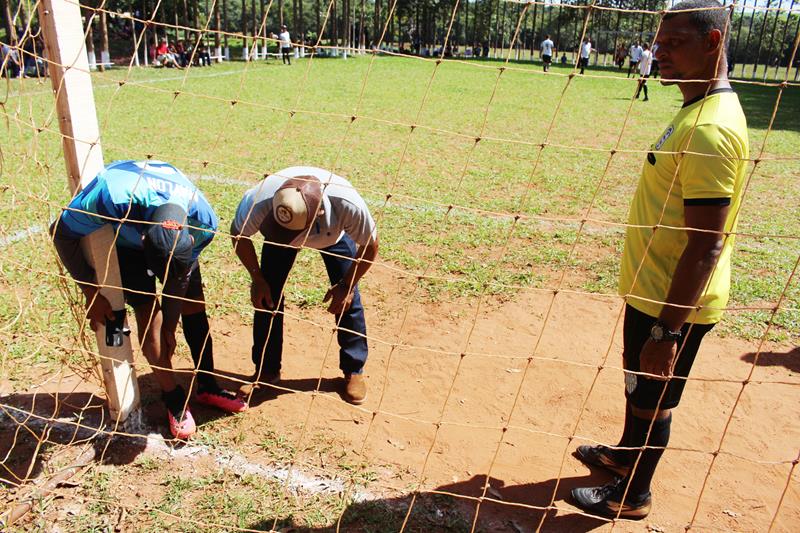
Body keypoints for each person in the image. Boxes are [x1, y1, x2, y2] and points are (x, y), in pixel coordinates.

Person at [570, 0, 748, 519]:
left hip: (675, 303)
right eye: (659, 42)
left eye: (674, 44)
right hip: (653, 288)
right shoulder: (695, 108)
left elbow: (706, 242)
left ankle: (634, 494)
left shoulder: (709, 129)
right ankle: (624, 456)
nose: (658, 53)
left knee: (656, 396)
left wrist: (669, 333)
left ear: (713, 43)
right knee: (637, 383)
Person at [51, 160, 247, 439]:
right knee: (146, 318)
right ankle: (174, 399)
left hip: (173, 245)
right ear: (143, 238)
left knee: (194, 307)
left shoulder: (203, 223)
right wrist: (91, 292)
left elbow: (177, 281)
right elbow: (59, 231)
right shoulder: (110, 198)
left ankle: (207, 385)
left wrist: (172, 324)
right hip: (125, 243)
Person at [231, 167, 379, 405]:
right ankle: (267, 373)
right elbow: (238, 234)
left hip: (335, 236)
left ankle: (354, 369)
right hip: (279, 241)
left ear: (319, 213)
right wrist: (257, 279)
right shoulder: (260, 199)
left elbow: (371, 246)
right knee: (266, 298)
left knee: (347, 301)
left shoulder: (346, 203)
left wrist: (347, 285)